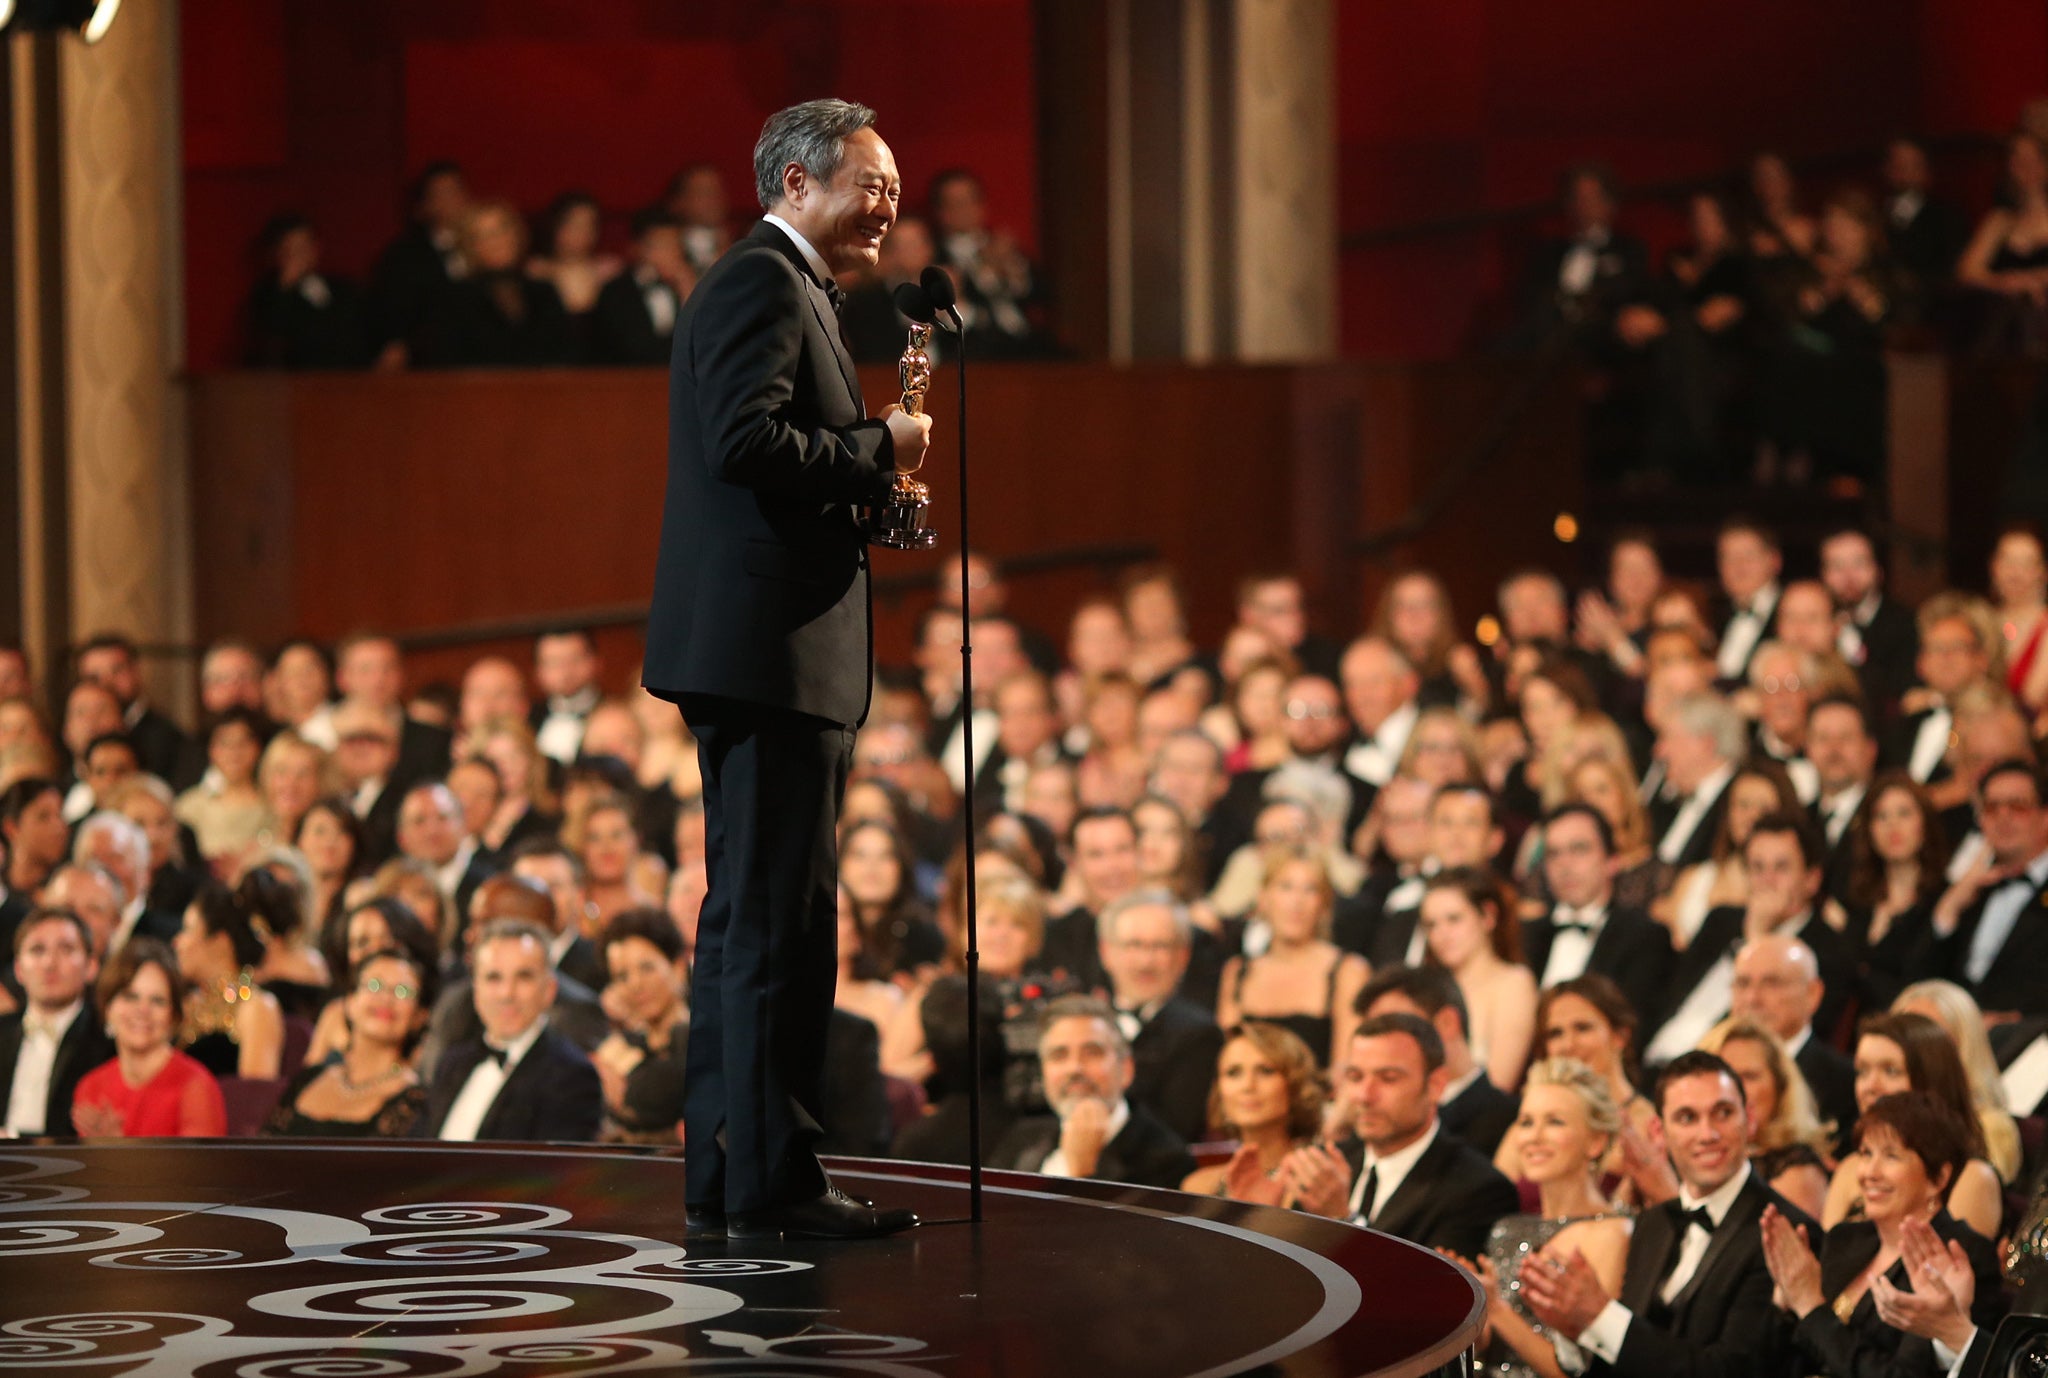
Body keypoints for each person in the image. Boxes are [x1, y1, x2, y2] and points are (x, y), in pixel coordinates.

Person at [639, 99, 929, 1243]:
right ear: (797, 182)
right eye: (872, 184)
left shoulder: (788, 286)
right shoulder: (760, 280)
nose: (889, 207)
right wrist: (881, 451)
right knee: (776, 925)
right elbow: (744, 442)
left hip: (768, 654)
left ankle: (732, 1171)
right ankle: (769, 1179)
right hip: (765, 657)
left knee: (756, 921)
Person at [1519, 1050, 1816, 1378]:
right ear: (1659, 1132)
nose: (1708, 1134)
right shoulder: (1651, 1224)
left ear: (1750, 1118)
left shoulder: (1787, 1233)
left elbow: (1732, 1370)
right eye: (1687, 1118)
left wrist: (1600, 1316)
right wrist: (1572, 1333)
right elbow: (1623, 1359)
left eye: (1723, 1113)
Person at [1758, 1091, 2005, 1378]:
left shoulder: (1960, 1256)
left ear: (1938, 1177)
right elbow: (1780, 1361)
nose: (1869, 1173)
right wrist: (1785, 1302)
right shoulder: (1845, 1239)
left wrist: (1812, 1308)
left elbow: (1905, 1375)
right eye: (1866, 1153)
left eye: (1891, 1156)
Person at [1457, 1059, 1633, 1378]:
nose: (1534, 1137)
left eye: (1554, 1122)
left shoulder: (1612, 1232)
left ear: (1595, 1142)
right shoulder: (1507, 1228)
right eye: (1525, 1122)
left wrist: (1497, 1310)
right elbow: (1493, 1351)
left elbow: (1582, 1371)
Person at [1288, 1012, 1517, 1254]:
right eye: (1355, 1077)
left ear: (1435, 1085)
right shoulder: (1327, 1166)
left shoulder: (1477, 1189)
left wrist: (1342, 1219)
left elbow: (1419, 1289)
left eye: (1388, 1079)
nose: (1365, 1096)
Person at [1822, 1012, 2003, 1240]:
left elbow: (1955, 1268)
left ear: (1931, 1081)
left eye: (1890, 1071)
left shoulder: (1972, 1177)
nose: (1870, 1086)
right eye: (1863, 1071)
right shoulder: (1851, 1166)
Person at [421, 918, 602, 1143]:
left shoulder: (572, 1076)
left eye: (523, 977)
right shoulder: (452, 1062)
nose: (507, 993)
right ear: (476, 991)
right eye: (493, 978)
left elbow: (551, 1174)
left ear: (549, 989)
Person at [989, 995, 1197, 1189]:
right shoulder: (1019, 1142)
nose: (1074, 1068)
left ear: (1126, 1069)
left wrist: (1079, 1171)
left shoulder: (1168, 1161)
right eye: (1059, 1055)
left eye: (1092, 1053)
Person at [1522, 804, 1674, 1030]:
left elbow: (1633, 1025)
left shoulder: (1644, 937)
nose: (1565, 865)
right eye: (1554, 854)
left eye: (1579, 849)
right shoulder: (1523, 935)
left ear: (1612, 861)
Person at [1216, 848, 1368, 1070]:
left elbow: (1347, 1068)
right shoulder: (1237, 971)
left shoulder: (1348, 971)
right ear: (1263, 898)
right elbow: (1228, 1063)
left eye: (1310, 889)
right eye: (1285, 887)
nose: (1297, 902)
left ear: (1324, 904)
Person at [1097, 888, 1224, 1145]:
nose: (1146, 961)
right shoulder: (1085, 1025)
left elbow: (1174, 1132)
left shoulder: (1199, 1034)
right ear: (1106, 953)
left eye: (1160, 946)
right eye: (1134, 945)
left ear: (1183, 957)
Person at [262, 947, 430, 1138]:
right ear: (350, 1002)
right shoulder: (310, 1077)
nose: (386, 998)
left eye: (402, 991)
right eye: (374, 985)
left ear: (419, 1016)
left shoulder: (414, 1102)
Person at [70, 938, 227, 1138]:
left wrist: (119, 1149)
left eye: (157, 1001)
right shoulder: (91, 1087)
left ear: (174, 1016)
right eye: (130, 996)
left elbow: (198, 1169)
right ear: (107, 1007)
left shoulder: (196, 1087)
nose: (143, 1010)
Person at [1927, 759, 2048, 1018]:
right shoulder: (1971, 888)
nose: (2003, 817)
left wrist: (2017, 1023)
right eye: (1992, 807)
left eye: (2018, 806)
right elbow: (1920, 978)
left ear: (2045, 816)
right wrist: (1949, 908)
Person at [1360, 963, 1520, 1157]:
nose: (1382, 1046)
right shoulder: (1368, 1118)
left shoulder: (1509, 1120)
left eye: (1396, 1027)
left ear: (1446, 1023)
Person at [1697, 1017, 1834, 1218]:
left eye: (1749, 1076)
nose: (1735, 1088)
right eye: (1723, 1076)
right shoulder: (1691, 1156)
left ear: (1780, 1086)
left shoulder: (1797, 1170)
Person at [1889, 981, 2022, 1187]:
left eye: (1927, 1040)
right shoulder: (1879, 1113)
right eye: (1903, 1037)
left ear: (1964, 1047)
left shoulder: (1991, 1129)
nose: (1912, 1051)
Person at [1180, 1022, 1325, 1205]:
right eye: (1234, 1073)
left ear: (1295, 1085)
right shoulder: (1197, 1186)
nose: (1247, 1086)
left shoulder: (1319, 1184)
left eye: (1266, 1071)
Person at [1420, 867, 1537, 1092]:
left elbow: (1499, 1085)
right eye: (1431, 925)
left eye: (1454, 919)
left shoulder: (1513, 983)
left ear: (1487, 916)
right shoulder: (1427, 987)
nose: (1441, 934)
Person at [1, 907, 113, 1137]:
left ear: (91, 966)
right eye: (37, 950)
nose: (50, 963)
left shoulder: (108, 1042)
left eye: (66, 949)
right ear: (19, 969)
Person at [171, 878, 287, 1080]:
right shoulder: (187, 1003)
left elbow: (255, 1094)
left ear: (219, 942)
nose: (177, 942)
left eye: (188, 930)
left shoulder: (257, 1007)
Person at [591, 907, 690, 1145]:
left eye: (647, 968)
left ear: (677, 967)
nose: (636, 984)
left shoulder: (699, 1038)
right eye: (622, 976)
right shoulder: (619, 1043)